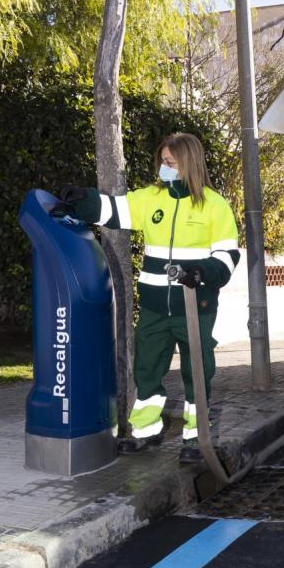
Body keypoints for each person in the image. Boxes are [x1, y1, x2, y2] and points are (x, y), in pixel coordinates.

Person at [58, 132, 240, 463]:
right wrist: (82, 199)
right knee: (147, 370)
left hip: (194, 307)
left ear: (190, 164)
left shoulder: (215, 206)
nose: (164, 169)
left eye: (171, 163)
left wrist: (200, 272)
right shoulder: (151, 198)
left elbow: (227, 259)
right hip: (156, 308)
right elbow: (114, 210)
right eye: (163, 163)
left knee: (196, 373)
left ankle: (196, 439)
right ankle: (145, 432)